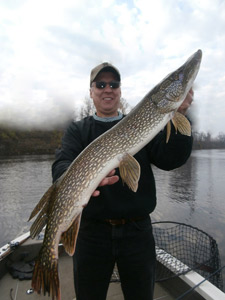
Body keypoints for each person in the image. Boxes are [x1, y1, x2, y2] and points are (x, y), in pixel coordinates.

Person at [52, 62, 193, 300]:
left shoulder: (144, 122)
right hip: (92, 233)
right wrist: (79, 176)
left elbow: (171, 159)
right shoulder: (77, 131)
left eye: (114, 84)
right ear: (91, 91)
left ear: (119, 90)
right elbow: (61, 166)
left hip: (137, 233)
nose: (108, 89)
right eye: (101, 84)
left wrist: (179, 115)